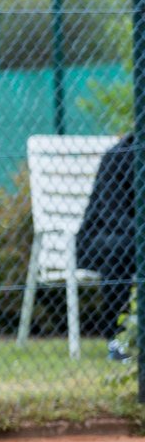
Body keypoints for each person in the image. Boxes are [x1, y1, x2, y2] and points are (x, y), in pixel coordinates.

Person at [76, 131, 135, 361]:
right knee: (120, 249)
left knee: (128, 247)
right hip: (98, 239)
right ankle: (116, 339)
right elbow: (111, 215)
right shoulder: (117, 156)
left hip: (134, 241)